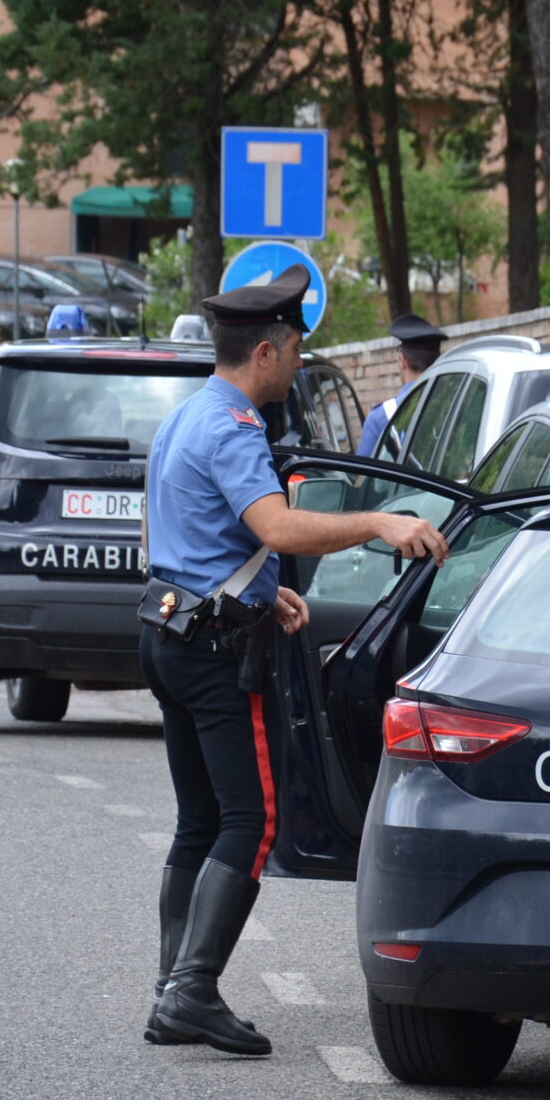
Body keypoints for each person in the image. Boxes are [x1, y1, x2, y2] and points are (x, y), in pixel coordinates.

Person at [140, 264, 448, 1055]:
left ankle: (170, 986)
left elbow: (190, 530)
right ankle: (193, 991)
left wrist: (259, 592)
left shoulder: (188, 415)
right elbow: (276, 527)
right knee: (253, 819)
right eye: (297, 350)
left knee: (198, 820)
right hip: (214, 654)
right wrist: (379, 523)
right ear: (269, 352)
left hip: (168, 629)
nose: (300, 365)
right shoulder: (237, 426)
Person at [356, 311, 446, 457]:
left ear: (403, 360)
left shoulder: (381, 417)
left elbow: (362, 477)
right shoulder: (456, 403)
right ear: (438, 361)